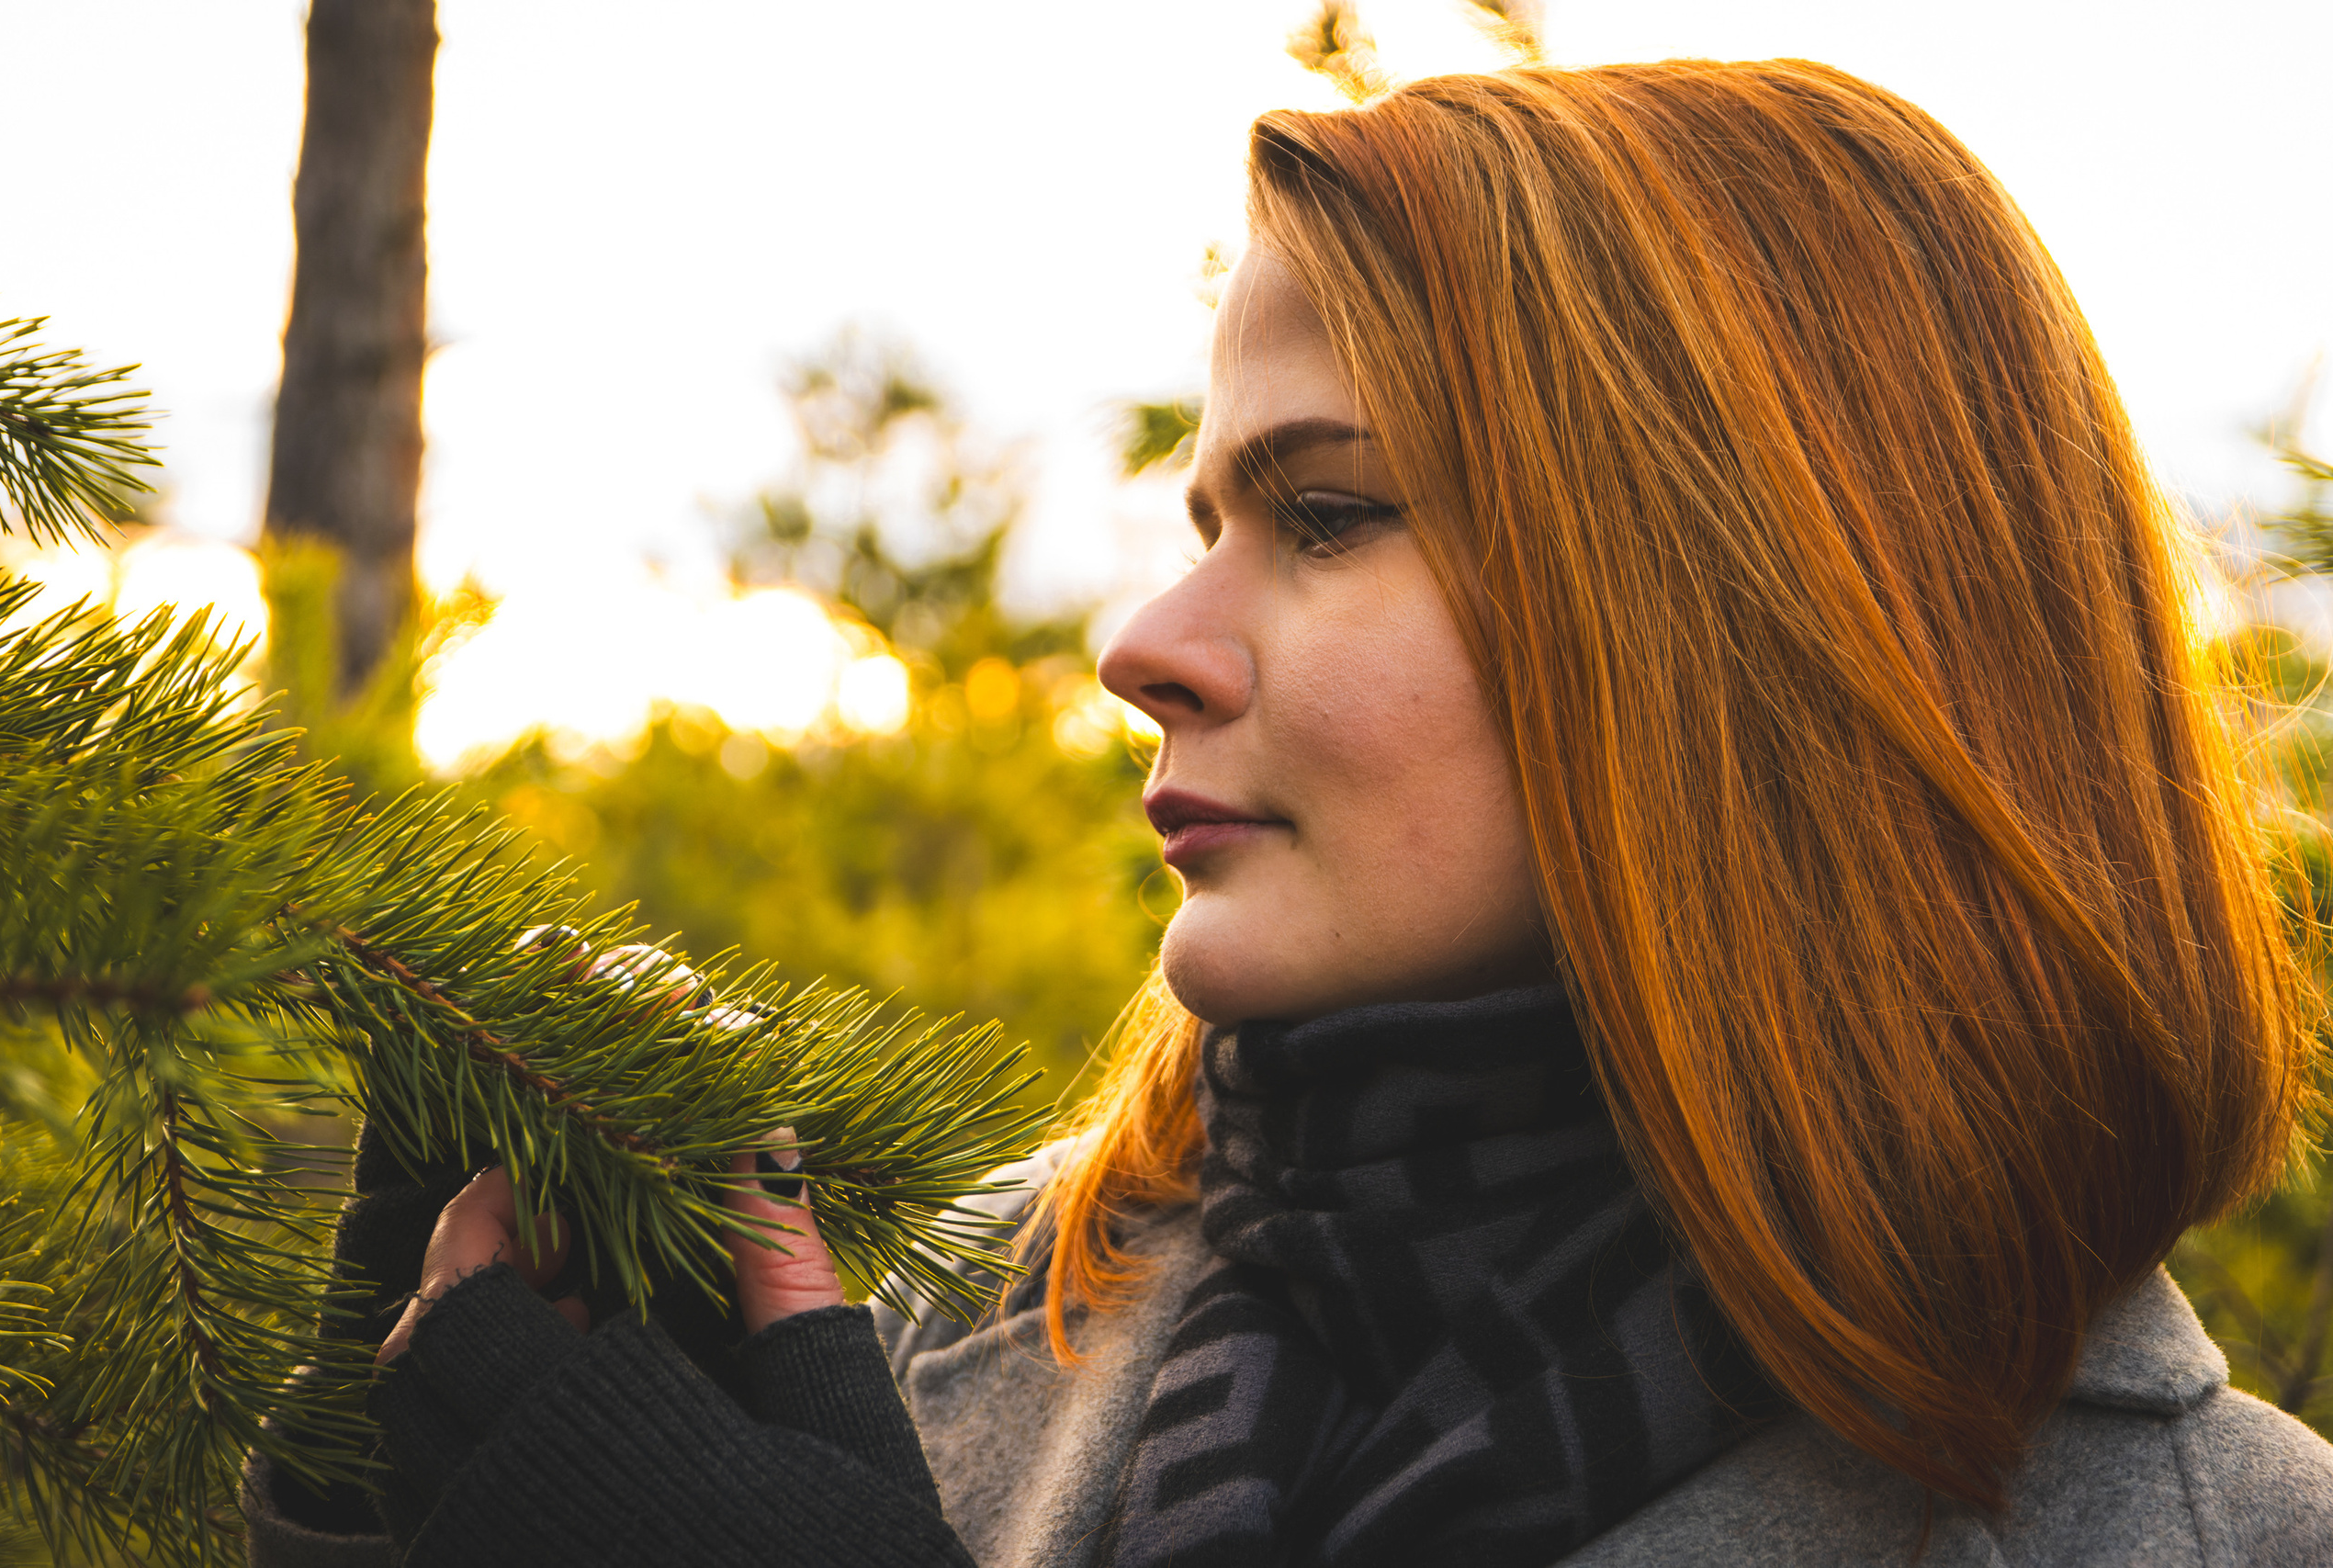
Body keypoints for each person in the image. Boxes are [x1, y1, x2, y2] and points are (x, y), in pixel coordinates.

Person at [244, 58, 2333, 1567]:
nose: (1143, 637)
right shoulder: (917, 1326)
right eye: (1205, 515)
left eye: (1324, 513)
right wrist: (375, 1476)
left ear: (1758, 618)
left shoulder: (2221, 1535)